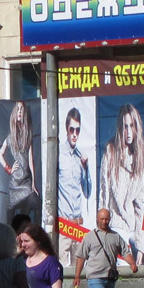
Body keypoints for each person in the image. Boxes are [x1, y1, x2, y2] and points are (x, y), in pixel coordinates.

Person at [99, 103, 144, 267]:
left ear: (136, 127)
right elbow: (103, 195)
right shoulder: (110, 151)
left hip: (132, 227)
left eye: (131, 126)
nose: (128, 131)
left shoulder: (138, 156)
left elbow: (141, 208)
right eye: (125, 126)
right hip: (115, 226)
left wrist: (141, 246)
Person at [58, 108, 92, 266]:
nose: (74, 134)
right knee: (63, 273)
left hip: (77, 224)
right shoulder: (58, 153)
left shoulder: (80, 156)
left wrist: (86, 169)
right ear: (66, 129)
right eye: (72, 129)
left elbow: (87, 192)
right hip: (64, 223)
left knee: (78, 274)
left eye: (77, 130)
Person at [0, 101, 39, 225]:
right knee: (10, 217)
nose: (20, 112)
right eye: (18, 109)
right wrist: (8, 168)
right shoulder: (11, 137)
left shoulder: (28, 135)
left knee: (35, 203)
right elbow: (0, 155)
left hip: (26, 182)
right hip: (15, 182)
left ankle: (29, 233)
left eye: (22, 109)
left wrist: (33, 183)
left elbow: (31, 159)